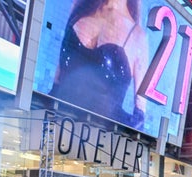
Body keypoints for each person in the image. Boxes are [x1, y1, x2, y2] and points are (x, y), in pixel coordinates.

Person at [50, 0, 148, 128]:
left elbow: (139, 118)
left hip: (100, 137)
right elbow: (57, 81)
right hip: (57, 124)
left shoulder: (138, 37)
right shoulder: (78, 8)